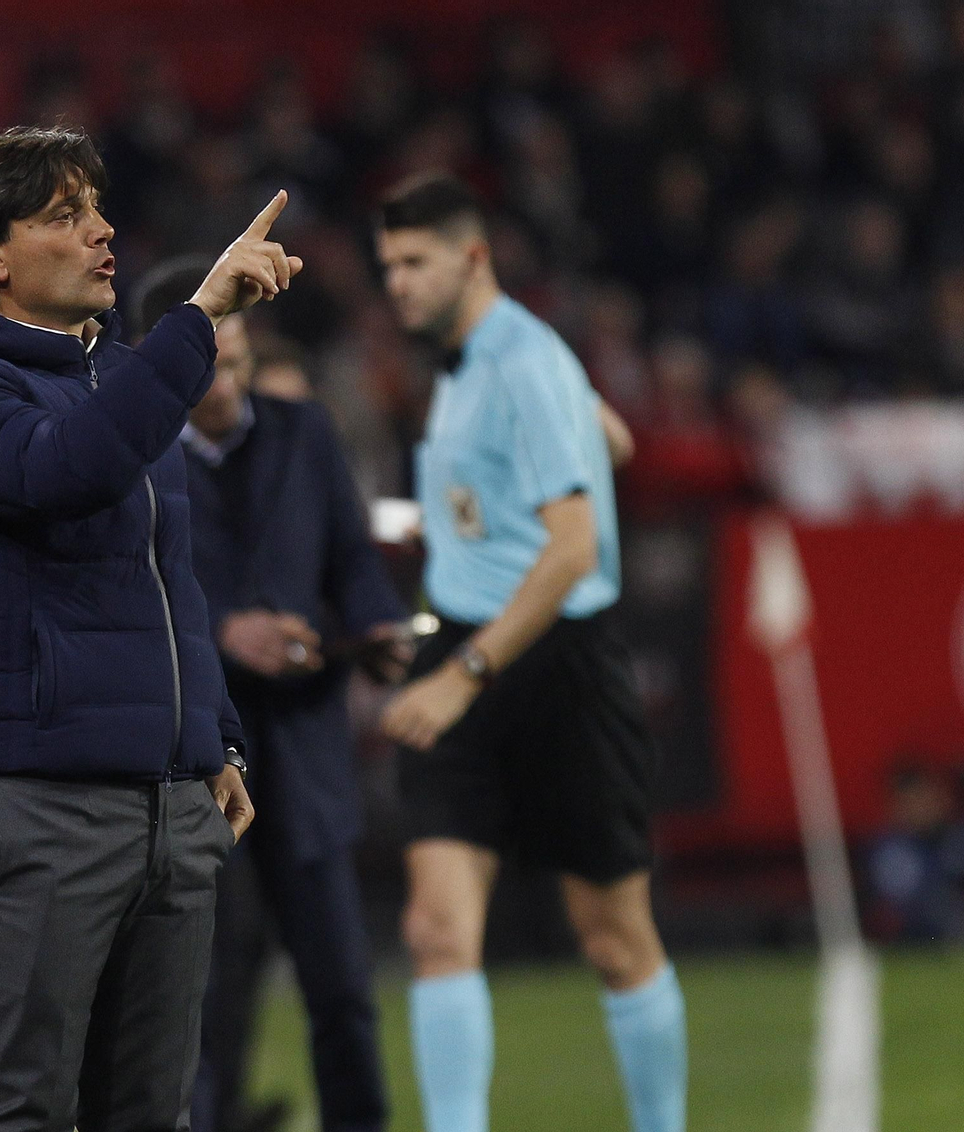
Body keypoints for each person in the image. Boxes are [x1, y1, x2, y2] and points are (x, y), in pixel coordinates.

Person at [0, 125, 303, 1132]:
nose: (102, 232)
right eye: (63, 216)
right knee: (25, 1110)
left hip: (168, 801)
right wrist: (200, 315)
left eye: (96, 208)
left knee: (148, 1114)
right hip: (39, 806)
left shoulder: (118, 380)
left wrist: (205, 733)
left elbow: (171, 581)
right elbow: (68, 471)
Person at [375, 174, 686, 1132]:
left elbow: (576, 548)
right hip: (465, 641)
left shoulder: (523, 359)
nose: (397, 285)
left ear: (472, 257)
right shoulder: (470, 362)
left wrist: (464, 680)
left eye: (416, 263)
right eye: (389, 266)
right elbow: (617, 441)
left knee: (613, 939)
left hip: (554, 663)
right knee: (435, 931)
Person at [133, 262, 407, 1132]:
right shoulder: (129, 466)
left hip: (306, 747)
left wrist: (377, 628)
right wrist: (220, 637)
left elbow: (353, 562)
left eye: (242, 359)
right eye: (214, 363)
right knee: (205, 999)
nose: (232, 381)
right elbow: (122, 603)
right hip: (196, 764)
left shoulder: (304, 432)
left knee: (344, 992)